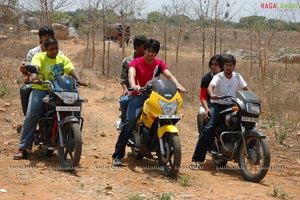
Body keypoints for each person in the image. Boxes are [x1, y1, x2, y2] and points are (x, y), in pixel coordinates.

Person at [112, 39, 187, 166]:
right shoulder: (136, 62)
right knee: (130, 121)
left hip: (154, 96)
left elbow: (169, 76)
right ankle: (117, 155)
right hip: (139, 95)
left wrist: (178, 85)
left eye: (154, 52)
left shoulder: (159, 63)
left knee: (166, 115)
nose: (151, 54)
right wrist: (134, 85)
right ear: (145, 51)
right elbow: (131, 74)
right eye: (149, 51)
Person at [14, 38, 85, 160]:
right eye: (51, 49)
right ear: (46, 49)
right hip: (41, 88)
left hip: (58, 90)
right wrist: (34, 77)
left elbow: (70, 68)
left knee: (76, 103)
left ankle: (71, 138)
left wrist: (78, 79)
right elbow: (35, 67)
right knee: (32, 114)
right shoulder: (39, 57)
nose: (54, 51)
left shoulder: (61, 58)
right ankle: (23, 148)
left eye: (56, 48)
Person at [190, 54, 248, 168]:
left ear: (234, 66)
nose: (228, 67)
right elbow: (210, 87)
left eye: (230, 65)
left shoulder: (237, 76)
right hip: (217, 105)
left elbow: (245, 88)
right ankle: (195, 160)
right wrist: (212, 94)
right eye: (226, 65)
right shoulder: (218, 77)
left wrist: (252, 97)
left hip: (232, 104)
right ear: (223, 66)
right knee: (208, 128)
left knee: (243, 122)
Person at [19, 26, 63, 116]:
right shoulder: (33, 52)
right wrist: (30, 75)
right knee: (25, 90)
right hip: (38, 83)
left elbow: (64, 67)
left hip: (55, 84)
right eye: (45, 36)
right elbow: (31, 69)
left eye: (50, 36)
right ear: (40, 38)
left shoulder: (59, 53)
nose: (48, 38)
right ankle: (29, 119)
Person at [117, 35, 147, 129]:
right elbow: (123, 79)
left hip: (147, 90)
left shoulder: (149, 60)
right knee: (124, 100)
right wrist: (125, 90)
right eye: (143, 47)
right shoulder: (127, 61)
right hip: (132, 90)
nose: (146, 50)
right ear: (136, 47)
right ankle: (124, 123)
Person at [196, 55, 223, 133]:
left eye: (216, 64)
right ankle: (202, 135)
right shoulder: (206, 78)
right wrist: (207, 108)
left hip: (224, 102)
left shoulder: (226, 76)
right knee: (201, 113)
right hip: (209, 103)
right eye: (211, 64)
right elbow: (203, 96)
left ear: (221, 65)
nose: (213, 67)